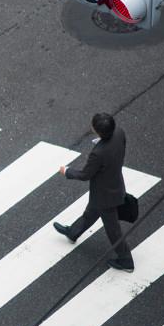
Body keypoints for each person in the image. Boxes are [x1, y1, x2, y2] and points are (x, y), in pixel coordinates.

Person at [53, 112, 133, 271]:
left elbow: (85, 175)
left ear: (97, 131)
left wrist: (67, 171)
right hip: (113, 184)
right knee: (91, 212)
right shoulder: (119, 132)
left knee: (113, 229)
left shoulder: (99, 153)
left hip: (105, 195)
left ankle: (126, 260)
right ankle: (73, 233)